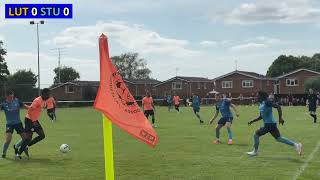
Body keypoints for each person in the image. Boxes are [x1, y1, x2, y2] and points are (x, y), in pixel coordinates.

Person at [246, 91, 303, 157]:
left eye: (257, 95)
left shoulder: (267, 102)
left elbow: (278, 107)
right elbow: (261, 116)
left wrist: (280, 118)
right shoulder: (261, 104)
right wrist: (252, 121)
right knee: (278, 138)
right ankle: (296, 145)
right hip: (271, 124)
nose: (256, 97)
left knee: (256, 135)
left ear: (262, 96)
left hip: (269, 124)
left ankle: (255, 152)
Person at [16, 88, 51, 159]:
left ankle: (27, 146)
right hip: (29, 120)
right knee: (28, 138)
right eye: (47, 94)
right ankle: (18, 154)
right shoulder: (37, 100)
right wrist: (33, 121)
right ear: (43, 94)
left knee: (42, 135)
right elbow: (29, 111)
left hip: (35, 120)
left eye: (49, 94)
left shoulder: (44, 100)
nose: (48, 96)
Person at [0, 91, 29, 158]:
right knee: (8, 139)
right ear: (7, 97)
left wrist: (32, 108)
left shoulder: (17, 101)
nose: (12, 98)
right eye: (10, 97)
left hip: (18, 123)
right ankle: (4, 153)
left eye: (12, 97)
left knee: (25, 139)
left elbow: (25, 106)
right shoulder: (4, 104)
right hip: (9, 124)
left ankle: (21, 151)